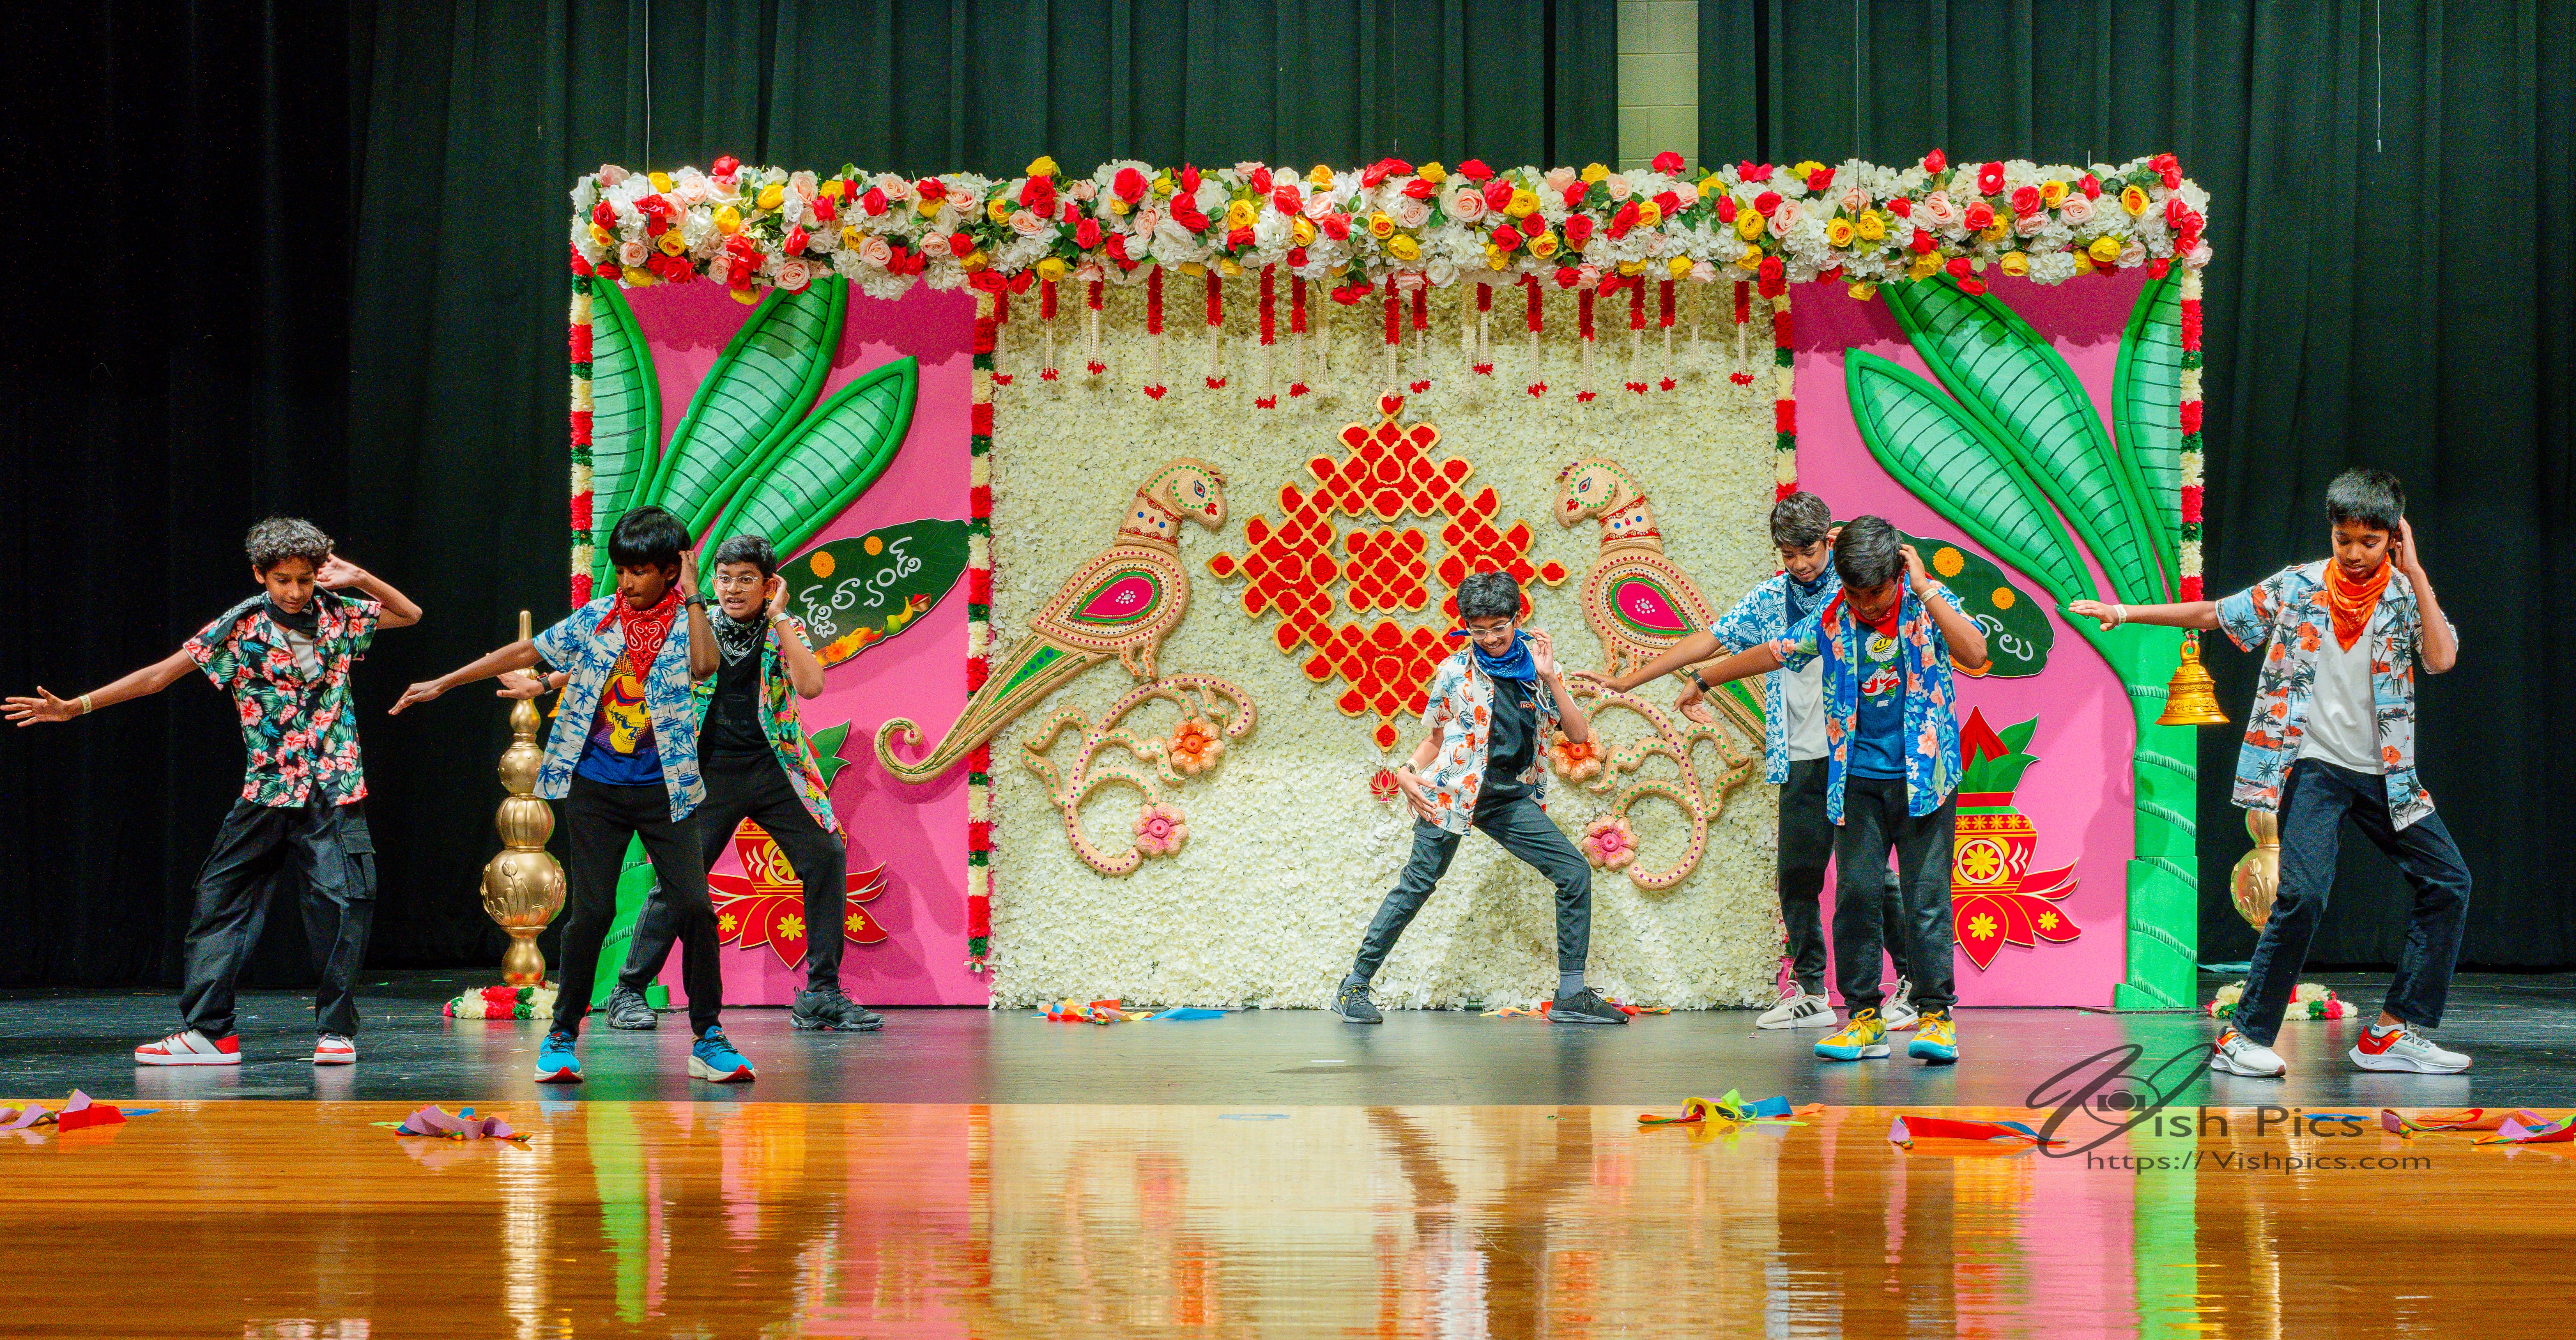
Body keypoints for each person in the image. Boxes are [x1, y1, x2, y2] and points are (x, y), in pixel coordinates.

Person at [2072, 467, 2469, 1078]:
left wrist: (2414, 572)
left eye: (2369, 541)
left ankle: (2391, 1032)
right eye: (2343, 539)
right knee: (2302, 893)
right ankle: (2242, 1036)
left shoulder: (2404, 595)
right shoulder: (2299, 585)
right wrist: (2124, 612)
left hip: (2387, 774)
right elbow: (2214, 613)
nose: (2354, 553)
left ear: (2394, 536)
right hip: (2315, 767)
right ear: (2331, 533)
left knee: (2448, 880)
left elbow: (2441, 659)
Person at [8, 518, 421, 1066]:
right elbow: (159, 676)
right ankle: (210, 1033)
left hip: (334, 787)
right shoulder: (240, 626)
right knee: (218, 902)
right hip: (268, 788)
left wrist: (360, 577)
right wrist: (74, 707)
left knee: (342, 907)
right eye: (282, 580)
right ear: (260, 574)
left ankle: (336, 1033)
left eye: (304, 579)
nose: (295, 591)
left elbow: (409, 614)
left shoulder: (338, 612)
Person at [391, 506, 755, 1084]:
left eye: (640, 571)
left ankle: (708, 1038)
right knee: (594, 912)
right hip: (598, 789)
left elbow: (706, 666)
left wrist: (691, 594)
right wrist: (446, 680)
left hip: (668, 790)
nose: (626, 581)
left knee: (694, 908)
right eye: (621, 569)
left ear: (671, 570)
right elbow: (526, 652)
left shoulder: (694, 620)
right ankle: (562, 1035)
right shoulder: (598, 617)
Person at [1610, 516, 1987, 1065]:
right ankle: (1863, 1019)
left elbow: (1974, 653)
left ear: (1898, 574)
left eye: (1876, 593)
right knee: (1855, 898)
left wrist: (1925, 588)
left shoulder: (1923, 602)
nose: (1867, 605)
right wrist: (1704, 679)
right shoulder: (1834, 616)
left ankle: (1936, 1017)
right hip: (1856, 781)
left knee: (1925, 899)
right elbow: (1774, 651)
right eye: (1855, 594)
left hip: (1924, 779)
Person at [512, 535, 882, 1034]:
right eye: (725, 578)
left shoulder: (784, 626)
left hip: (774, 769)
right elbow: (622, 657)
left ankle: (821, 992)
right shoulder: (691, 621)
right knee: (679, 885)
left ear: (769, 584)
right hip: (707, 771)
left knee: (826, 854)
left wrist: (777, 616)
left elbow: (811, 685)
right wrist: (546, 682)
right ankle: (629, 989)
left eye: (746, 579)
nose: (733, 589)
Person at [1332, 569, 1629, 1026]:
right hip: (1452, 792)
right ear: (1467, 627)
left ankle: (1570, 994)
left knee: (1573, 872)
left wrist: (1550, 678)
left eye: (1498, 628)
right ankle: (1354, 985)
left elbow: (1577, 734)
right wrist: (1407, 771)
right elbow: (1435, 738)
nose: (1489, 639)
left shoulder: (1539, 669)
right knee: (1417, 884)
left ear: (1517, 619)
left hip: (1507, 797)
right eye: (1478, 630)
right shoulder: (1454, 671)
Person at [1693, 492, 1915, 1032]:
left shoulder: (1853, 587)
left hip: (1850, 754)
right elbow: (1716, 638)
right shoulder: (1772, 596)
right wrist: (1637, 678)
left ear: (1828, 541)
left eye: (1809, 550)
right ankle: (1811, 991)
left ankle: (1912, 980)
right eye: (1788, 553)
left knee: (1871, 877)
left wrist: (1848, 540)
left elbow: (1894, 563)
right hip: (1797, 755)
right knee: (1796, 876)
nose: (1799, 563)